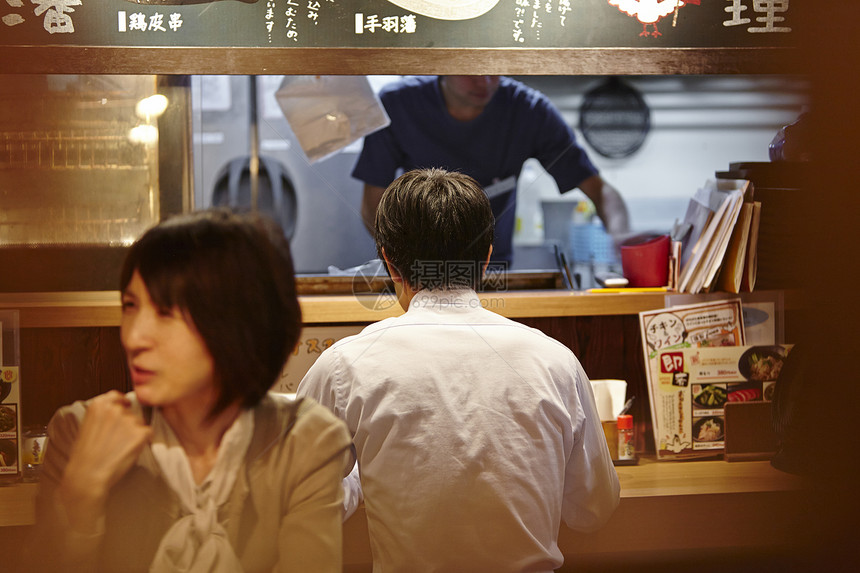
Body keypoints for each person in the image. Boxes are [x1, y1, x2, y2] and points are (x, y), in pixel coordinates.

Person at [298, 169, 620, 572]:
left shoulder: (345, 365)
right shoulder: (555, 360)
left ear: (389, 263)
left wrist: (363, 477)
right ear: (485, 259)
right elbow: (592, 511)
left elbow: (301, 500)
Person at [29, 209, 352, 573]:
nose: (134, 337)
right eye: (130, 306)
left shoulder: (301, 441)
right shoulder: (79, 431)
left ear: (236, 326)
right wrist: (81, 492)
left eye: (165, 312)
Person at [353, 75, 631, 263]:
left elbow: (599, 189)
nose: (484, 81)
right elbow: (373, 205)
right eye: (471, 70)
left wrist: (620, 233)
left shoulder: (529, 110)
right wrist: (404, 263)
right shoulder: (398, 103)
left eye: (493, 69)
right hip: (418, 271)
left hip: (493, 268)